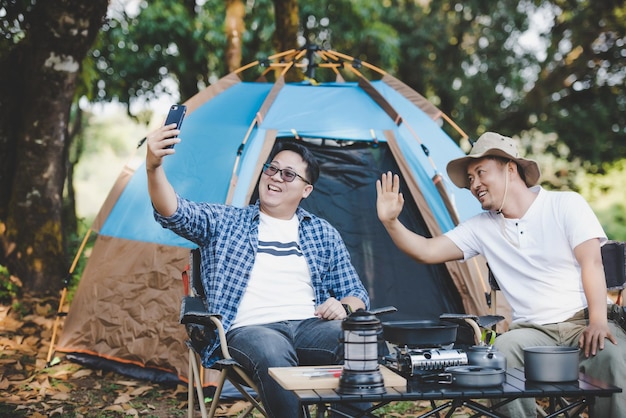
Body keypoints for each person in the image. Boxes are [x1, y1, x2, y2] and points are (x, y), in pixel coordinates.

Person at [376, 131, 626, 417]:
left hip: (582, 321)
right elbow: (427, 251)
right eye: (470, 179)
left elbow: (592, 263)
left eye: (480, 172)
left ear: (510, 168)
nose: (474, 185)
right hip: (532, 333)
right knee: (499, 355)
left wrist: (597, 321)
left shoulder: (565, 204)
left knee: (612, 356)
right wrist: (392, 222)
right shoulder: (481, 227)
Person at [145, 122, 369, 418]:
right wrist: (153, 167)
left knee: (361, 340)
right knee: (272, 351)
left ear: (306, 189)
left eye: (288, 174)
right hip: (250, 332)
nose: (276, 177)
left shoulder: (322, 233)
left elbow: (357, 294)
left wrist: (343, 307)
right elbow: (173, 211)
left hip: (309, 327)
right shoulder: (225, 222)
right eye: (271, 169)